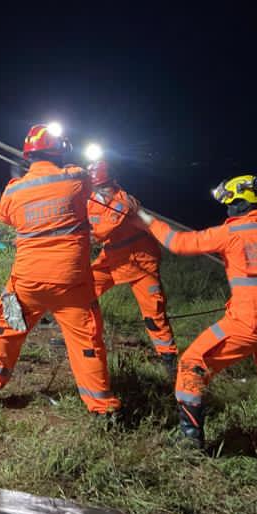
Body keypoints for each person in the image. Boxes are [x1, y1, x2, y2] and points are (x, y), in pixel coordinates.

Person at [136, 174, 257, 478]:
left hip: (251, 318)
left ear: (238, 202)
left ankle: (190, 441)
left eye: (228, 202)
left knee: (192, 364)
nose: (226, 209)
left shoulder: (233, 232)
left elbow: (178, 243)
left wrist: (147, 220)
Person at [0, 124, 121, 416]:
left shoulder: (16, 190)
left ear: (28, 155)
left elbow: (3, 214)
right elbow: (89, 183)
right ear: (59, 151)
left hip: (27, 284)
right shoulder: (76, 178)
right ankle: (103, 408)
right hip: (72, 286)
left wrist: (19, 180)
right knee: (86, 343)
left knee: (6, 327)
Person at [86, 159, 178, 377]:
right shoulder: (91, 199)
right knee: (83, 291)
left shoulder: (122, 203)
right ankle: (84, 335)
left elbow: (97, 235)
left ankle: (169, 359)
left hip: (140, 261)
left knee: (153, 313)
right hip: (112, 258)